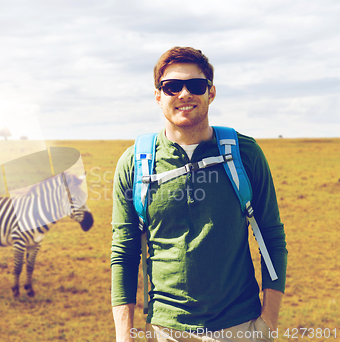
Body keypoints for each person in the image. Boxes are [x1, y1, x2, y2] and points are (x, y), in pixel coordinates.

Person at [110, 47, 287, 342]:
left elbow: (271, 238)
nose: (184, 94)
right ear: (158, 96)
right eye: (172, 87)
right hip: (164, 328)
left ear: (211, 92)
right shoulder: (134, 162)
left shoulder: (245, 153)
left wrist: (267, 324)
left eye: (195, 85)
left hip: (239, 326)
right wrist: (124, 335)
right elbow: (124, 253)